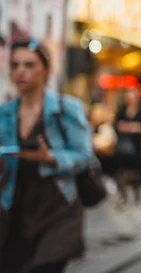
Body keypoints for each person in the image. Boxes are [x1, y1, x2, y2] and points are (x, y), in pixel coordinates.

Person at [0, 40, 93, 273]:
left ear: (46, 69)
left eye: (29, 65)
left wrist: (51, 158)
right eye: (15, 65)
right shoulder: (5, 113)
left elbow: (84, 155)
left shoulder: (66, 108)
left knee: (45, 267)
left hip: (57, 207)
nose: (21, 71)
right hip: (15, 208)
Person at [113, 86, 141, 208]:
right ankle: (123, 197)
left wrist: (128, 127)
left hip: (137, 148)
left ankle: (136, 194)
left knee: (136, 173)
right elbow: (117, 126)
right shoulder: (122, 110)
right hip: (122, 148)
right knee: (121, 172)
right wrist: (134, 127)